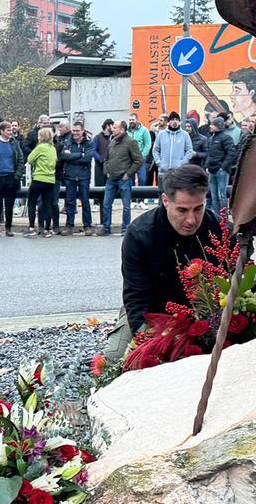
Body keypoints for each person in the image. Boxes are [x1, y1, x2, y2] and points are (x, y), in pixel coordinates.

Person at [108, 165, 228, 359]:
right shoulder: (140, 234)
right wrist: (151, 344)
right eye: (182, 210)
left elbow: (247, 280)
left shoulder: (221, 230)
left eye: (198, 209)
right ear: (165, 200)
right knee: (114, 358)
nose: (191, 220)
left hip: (210, 313)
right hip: (152, 313)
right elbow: (137, 299)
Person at [99, 119, 144, 236]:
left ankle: (126, 228)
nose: (112, 129)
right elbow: (106, 159)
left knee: (126, 206)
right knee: (106, 204)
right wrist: (107, 171)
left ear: (122, 129)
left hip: (124, 179)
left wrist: (128, 174)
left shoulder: (130, 142)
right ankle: (106, 227)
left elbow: (139, 160)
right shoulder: (112, 141)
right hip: (111, 178)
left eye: (115, 127)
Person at [0, 120, 25, 237]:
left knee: (9, 205)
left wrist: (17, 176)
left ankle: (8, 228)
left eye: (11, 130)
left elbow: (20, 160)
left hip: (11, 177)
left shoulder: (14, 143)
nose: (10, 132)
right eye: (8, 130)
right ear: (1, 131)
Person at [60, 122, 94, 235]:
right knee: (70, 202)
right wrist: (80, 154)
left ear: (82, 131)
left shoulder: (88, 143)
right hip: (69, 176)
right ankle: (69, 226)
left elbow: (87, 159)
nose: (75, 133)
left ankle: (87, 226)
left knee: (85, 201)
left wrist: (72, 157)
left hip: (84, 176)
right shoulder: (68, 142)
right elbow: (64, 156)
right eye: (73, 130)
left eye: (77, 131)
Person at [26, 127, 58, 237]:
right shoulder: (53, 148)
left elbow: (30, 159)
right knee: (47, 204)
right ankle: (47, 229)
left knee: (32, 202)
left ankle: (31, 228)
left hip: (39, 178)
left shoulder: (40, 147)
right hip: (50, 180)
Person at [205, 117, 239, 215]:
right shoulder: (211, 138)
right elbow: (209, 154)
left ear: (218, 126)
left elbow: (231, 153)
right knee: (214, 195)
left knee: (222, 195)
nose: (210, 126)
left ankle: (224, 217)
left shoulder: (226, 138)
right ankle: (217, 216)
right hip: (212, 170)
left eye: (213, 124)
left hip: (221, 171)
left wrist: (223, 167)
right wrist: (207, 166)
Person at [127, 113, 152, 187]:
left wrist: (142, 155)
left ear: (137, 120)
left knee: (142, 179)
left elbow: (148, 144)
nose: (131, 121)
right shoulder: (126, 131)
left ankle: (141, 194)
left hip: (140, 159)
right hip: (129, 159)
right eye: (130, 120)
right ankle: (131, 194)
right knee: (130, 180)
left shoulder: (144, 130)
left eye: (133, 120)